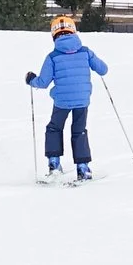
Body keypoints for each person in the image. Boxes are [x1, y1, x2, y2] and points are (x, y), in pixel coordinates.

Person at [27, 16, 109, 179]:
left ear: (54, 34)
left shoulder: (53, 56)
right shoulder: (86, 51)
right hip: (82, 99)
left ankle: (54, 164)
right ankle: (83, 168)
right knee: (79, 131)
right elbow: (103, 69)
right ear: (73, 31)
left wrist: (31, 80)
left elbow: (43, 82)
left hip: (62, 101)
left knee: (54, 128)